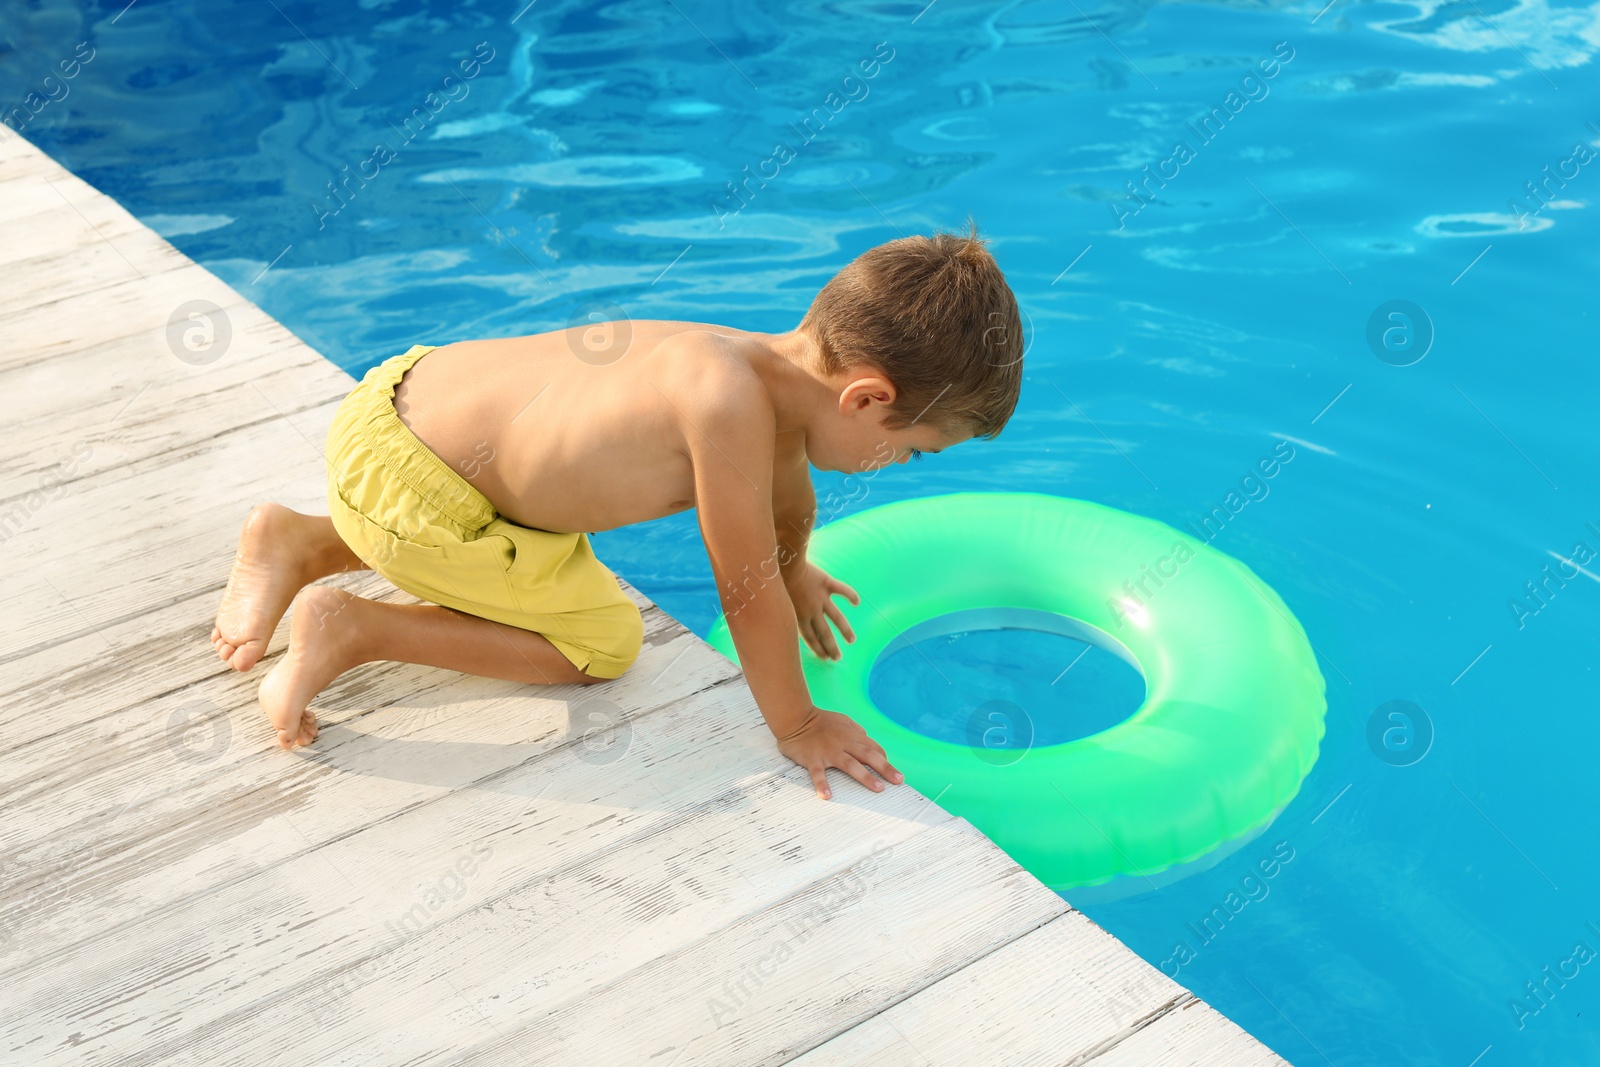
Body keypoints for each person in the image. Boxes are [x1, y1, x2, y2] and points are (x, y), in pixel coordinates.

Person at [210, 223, 1025, 800]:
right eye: (914, 448)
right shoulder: (729, 407)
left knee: (527, 527)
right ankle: (352, 627)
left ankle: (303, 540)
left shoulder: (750, 369)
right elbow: (742, 590)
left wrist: (798, 568)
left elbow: (784, 506)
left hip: (392, 416)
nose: (901, 467)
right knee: (603, 641)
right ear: (868, 397)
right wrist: (798, 720)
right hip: (424, 501)